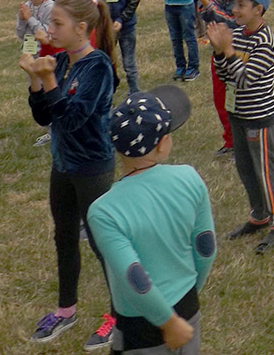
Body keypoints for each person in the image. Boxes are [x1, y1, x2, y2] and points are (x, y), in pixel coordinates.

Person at [22, 0, 120, 347]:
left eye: (57, 23)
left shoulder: (98, 67)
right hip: (62, 165)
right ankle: (66, 310)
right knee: (64, 237)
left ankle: (119, 314)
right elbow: (44, 117)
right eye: (50, 23)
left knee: (102, 242)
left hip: (92, 166)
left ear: (81, 29)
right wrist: (36, 79)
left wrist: (48, 81)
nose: (50, 29)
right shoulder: (61, 63)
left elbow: (75, 118)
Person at [87, 85, 214, 355]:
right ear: (161, 143)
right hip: (187, 304)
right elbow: (206, 247)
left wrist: (167, 323)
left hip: (141, 324)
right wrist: (189, 293)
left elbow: (132, 276)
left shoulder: (103, 210)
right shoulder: (190, 177)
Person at [208, 0, 274, 254]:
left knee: (266, 171)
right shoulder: (238, 33)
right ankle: (259, 214)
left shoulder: (266, 40)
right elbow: (224, 74)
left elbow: (244, 79)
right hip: (237, 113)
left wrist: (226, 50)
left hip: (258, 117)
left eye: (242, 5)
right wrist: (220, 52)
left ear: (259, 9)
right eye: (234, 3)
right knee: (245, 167)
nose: (236, 9)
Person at [195, 0, 252, 158]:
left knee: (240, 97)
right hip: (218, 49)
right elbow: (206, 16)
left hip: (238, 50)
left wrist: (209, 4)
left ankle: (245, 142)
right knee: (222, 99)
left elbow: (234, 23)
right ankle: (231, 140)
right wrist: (213, 1)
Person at [17, 0, 62, 148]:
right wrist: (22, 20)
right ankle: (49, 129)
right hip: (31, 54)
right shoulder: (26, 6)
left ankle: (55, 129)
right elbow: (20, 33)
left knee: (48, 90)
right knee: (36, 91)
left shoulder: (50, 7)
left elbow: (45, 32)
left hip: (46, 53)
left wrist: (30, 19)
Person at [90, 0, 142, 93]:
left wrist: (121, 19)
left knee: (129, 62)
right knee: (106, 60)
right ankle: (108, 91)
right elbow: (93, 0)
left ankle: (134, 91)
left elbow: (133, 0)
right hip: (105, 28)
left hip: (126, 27)